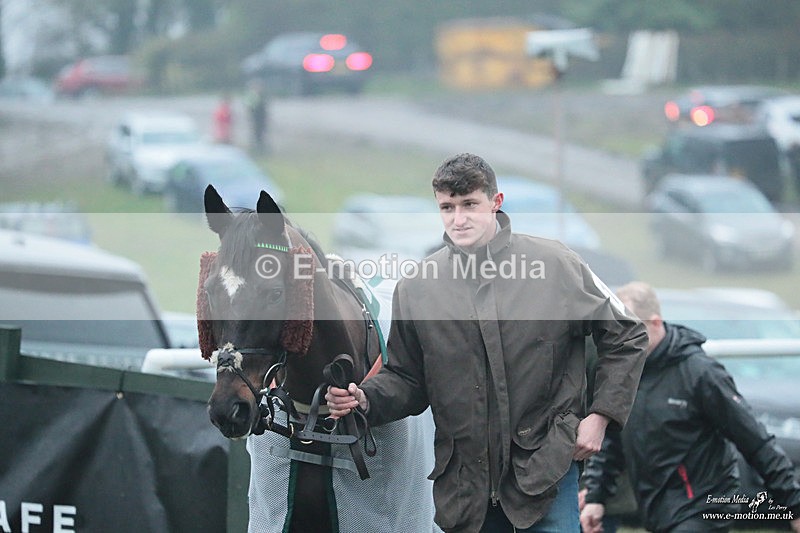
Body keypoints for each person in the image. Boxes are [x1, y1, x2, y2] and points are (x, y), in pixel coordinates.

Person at [327, 153, 649, 532]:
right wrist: (366, 398)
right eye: (447, 207)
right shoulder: (416, 289)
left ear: (496, 203)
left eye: (469, 205)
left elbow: (628, 334)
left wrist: (600, 417)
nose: (458, 219)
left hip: (546, 473)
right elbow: (407, 379)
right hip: (464, 490)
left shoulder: (558, 264)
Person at [580, 281, 800, 533]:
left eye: (629, 327)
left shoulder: (700, 373)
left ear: (655, 323)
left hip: (703, 509)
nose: (621, 338)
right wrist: (596, 498)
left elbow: (755, 440)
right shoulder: (627, 374)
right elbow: (612, 440)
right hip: (658, 512)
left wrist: (794, 504)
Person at [244, 80, 269, 152]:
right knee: (256, 134)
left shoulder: (262, 96)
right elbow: (249, 108)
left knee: (261, 134)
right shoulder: (252, 96)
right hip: (255, 119)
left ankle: (260, 148)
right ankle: (256, 148)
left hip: (261, 119)